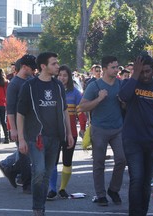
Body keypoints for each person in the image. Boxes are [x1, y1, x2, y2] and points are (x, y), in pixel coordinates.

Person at [17, 52, 74, 216]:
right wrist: (21, 138)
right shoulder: (29, 86)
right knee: (39, 171)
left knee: (47, 173)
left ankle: (40, 206)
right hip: (36, 137)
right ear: (43, 66)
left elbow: (64, 111)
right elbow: (20, 113)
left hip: (55, 137)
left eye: (57, 63)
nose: (57, 66)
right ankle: (38, 208)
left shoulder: (57, 86)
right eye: (54, 64)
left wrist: (68, 133)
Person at [119, 55, 153, 216]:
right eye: (141, 72)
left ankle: (142, 212)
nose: (145, 75)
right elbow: (123, 97)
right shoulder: (129, 83)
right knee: (136, 179)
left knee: (146, 182)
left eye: (148, 71)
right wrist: (134, 75)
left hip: (151, 141)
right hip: (132, 139)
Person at [79, 56, 126, 206]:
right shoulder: (95, 86)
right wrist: (99, 99)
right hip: (99, 129)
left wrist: (123, 103)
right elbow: (82, 107)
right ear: (104, 69)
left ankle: (113, 189)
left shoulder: (121, 84)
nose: (116, 70)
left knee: (122, 159)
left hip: (118, 128)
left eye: (117, 67)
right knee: (98, 163)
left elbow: (126, 106)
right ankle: (101, 195)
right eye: (113, 67)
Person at [47, 65, 87, 200]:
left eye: (65, 75)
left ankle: (62, 188)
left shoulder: (75, 93)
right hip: (54, 133)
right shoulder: (51, 91)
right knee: (52, 161)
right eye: (60, 75)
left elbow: (81, 112)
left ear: (69, 77)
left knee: (67, 161)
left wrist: (82, 128)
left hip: (71, 134)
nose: (62, 78)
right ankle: (52, 189)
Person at [0, 55, 36, 193]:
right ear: (24, 67)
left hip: (32, 124)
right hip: (18, 125)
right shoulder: (14, 84)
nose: (34, 71)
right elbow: (10, 109)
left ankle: (10, 168)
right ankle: (27, 185)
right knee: (25, 155)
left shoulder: (32, 80)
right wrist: (13, 129)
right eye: (32, 68)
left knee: (30, 153)